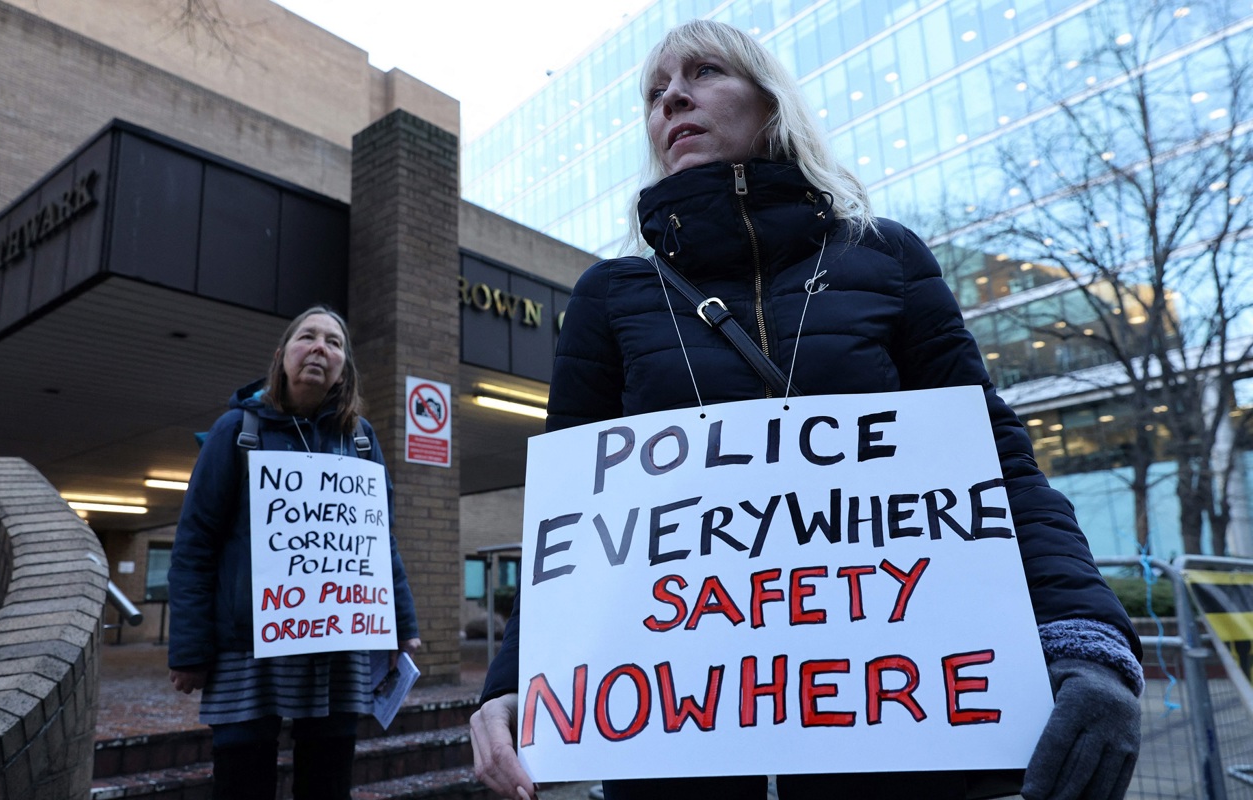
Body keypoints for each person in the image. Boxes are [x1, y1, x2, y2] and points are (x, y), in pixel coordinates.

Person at [471, 19, 1142, 800]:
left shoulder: (888, 259)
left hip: (894, 745)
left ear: (770, 101)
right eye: (655, 93)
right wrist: (515, 682)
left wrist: (1088, 642)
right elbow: (571, 527)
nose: (672, 99)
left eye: (703, 72)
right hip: (678, 754)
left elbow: (998, 469)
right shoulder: (609, 297)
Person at [168, 305, 421, 800]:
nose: (319, 348)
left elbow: (379, 541)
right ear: (282, 355)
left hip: (338, 643)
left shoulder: (361, 440)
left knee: (328, 782)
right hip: (248, 647)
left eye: (334, 342)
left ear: (344, 369)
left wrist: (401, 624)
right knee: (242, 781)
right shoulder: (235, 431)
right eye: (307, 337)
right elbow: (195, 543)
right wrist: (190, 649)